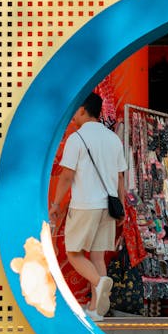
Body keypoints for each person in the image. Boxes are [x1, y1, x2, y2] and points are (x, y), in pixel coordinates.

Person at [50, 93, 127, 318]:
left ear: (83, 110)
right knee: (96, 257)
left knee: (73, 253)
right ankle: (96, 310)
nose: (73, 115)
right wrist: (121, 206)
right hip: (108, 206)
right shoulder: (113, 139)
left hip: (85, 204)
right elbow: (120, 177)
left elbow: (66, 176)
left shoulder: (77, 138)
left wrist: (56, 203)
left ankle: (99, 281)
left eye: (75, 110)